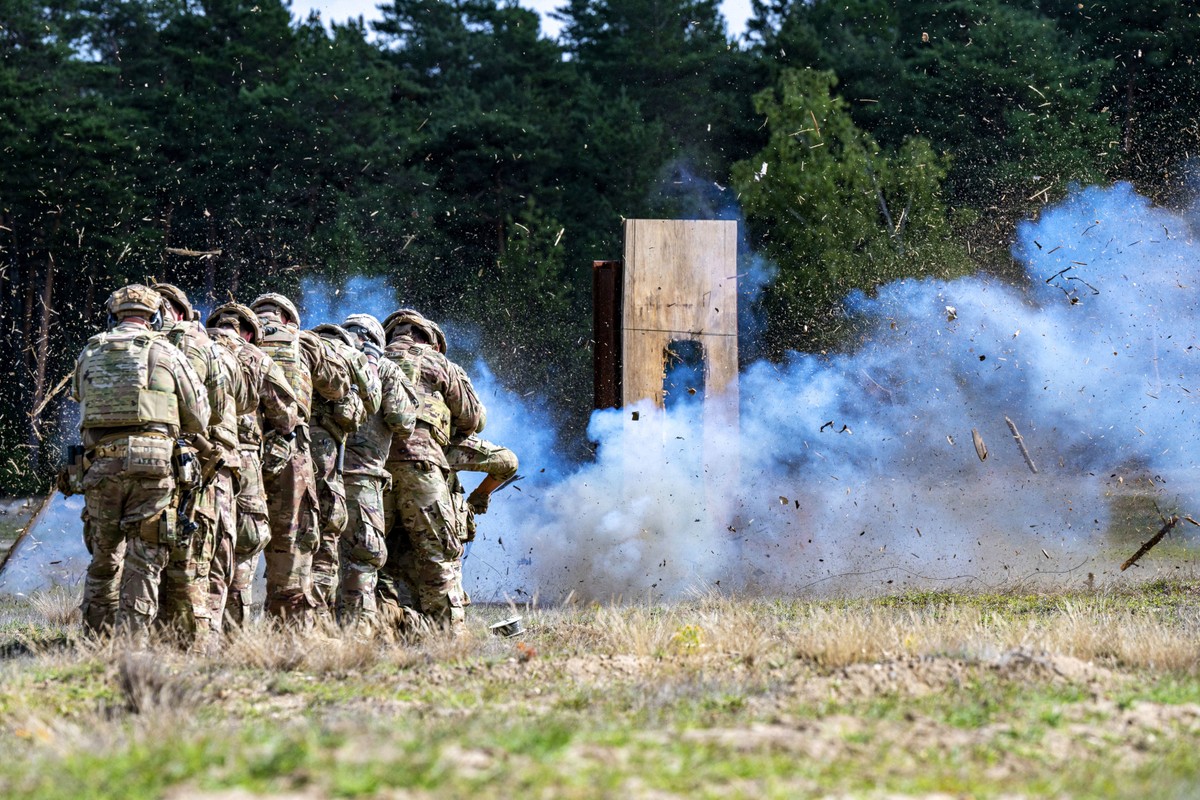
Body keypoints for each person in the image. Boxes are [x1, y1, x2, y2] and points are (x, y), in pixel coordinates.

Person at [72, 285, 209, 638]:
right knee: (144, 561)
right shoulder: (166, 351)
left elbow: (81, 400)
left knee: (103, 560)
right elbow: (198, 416)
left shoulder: (91, 350)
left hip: (100, 466)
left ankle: (95, 645)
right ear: (156, 318)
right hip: (153, 467)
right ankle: (132, 648)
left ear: (112, 315)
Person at [378, 309, 482, 634]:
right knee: (439, 555)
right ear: (431, 341)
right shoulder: (436, 362)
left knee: (367, 557)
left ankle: (372, 632)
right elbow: (472, 417)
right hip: (421, 468)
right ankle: (446, 641)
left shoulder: (369, 357)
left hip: (370, 472)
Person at [250, 292, 350, 625]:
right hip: (290, 451)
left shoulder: (237, 340)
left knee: (235, 545)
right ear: (290, 320)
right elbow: (337, 387)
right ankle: (287, 635)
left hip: (242, 451)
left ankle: (223, 635)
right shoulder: (303, 341)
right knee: (291, 548)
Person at [153, 282, 243, 649]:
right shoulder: (199, 343)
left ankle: (136, 640)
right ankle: (193, 646)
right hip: (193, 466)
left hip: (144, 462)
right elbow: (218, 409)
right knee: (190, 557)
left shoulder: (123, 343)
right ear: (182, 312)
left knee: (139, 555)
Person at [205, 302, 299, 629]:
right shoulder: (255, 357)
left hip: (188, 458)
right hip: (240, 462)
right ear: (248, 331)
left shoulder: (188, 347)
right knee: (242, 549)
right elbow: (287, 417)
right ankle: (231, 635)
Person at [337, 313, 417, 630]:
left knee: (319, 559)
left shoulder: (326, 360)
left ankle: (312, 633)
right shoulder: (383, 368)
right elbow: (402, 421)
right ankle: (356, 637)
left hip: (317, 478)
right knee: (362, 558)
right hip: (361, 480)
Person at [309, 323, 378, 620]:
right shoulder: (352, 356)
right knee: (327, 537)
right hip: (325, 456)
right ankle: (320, 622)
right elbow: (373, 401)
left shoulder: (303, 346)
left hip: (281, 453)